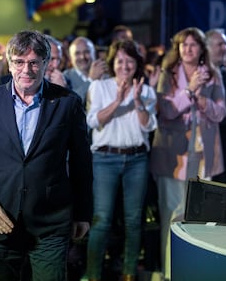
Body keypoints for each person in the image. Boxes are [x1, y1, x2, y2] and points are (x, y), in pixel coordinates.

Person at [0, 30, 93, 281]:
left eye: (33, 62)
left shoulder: (68, 103)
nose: (26, 70)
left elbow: (81, 164)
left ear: (46, 63)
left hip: (51, 223)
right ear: (9, 65)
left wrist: (84, 213)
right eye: (19, 62)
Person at [150, 27, 226, 280]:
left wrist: (202, 101)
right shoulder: (167, 74)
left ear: (201, 48)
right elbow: (166, 111)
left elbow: (220, 112)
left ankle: (190, 271)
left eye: (193, 45)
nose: (188, 49)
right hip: (173, 157)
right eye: (184, 45)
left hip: (203, 158)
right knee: (171, 215)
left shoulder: (213, 74)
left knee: (197, 218)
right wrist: (189, 91)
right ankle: (167, 271)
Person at [86, 40, 157, 281]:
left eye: (130, 60)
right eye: (120, 60)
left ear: (137, 63)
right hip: (104, 158)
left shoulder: (146, 91)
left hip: (136, 158)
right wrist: (117, 100)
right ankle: (93, 274)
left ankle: (128, 273)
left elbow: (148, 125)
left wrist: (136, 101)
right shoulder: (99, 86)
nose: (125, 65)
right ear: (112, 64)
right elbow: (93, 121)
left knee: (134, 220)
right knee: (102, 219)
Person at [205, 28, 226, 185]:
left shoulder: (224, 75)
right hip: (214, 154)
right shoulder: (203, 76)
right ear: (207, 47)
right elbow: (212, 114)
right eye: (220, 44)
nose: (225, 48)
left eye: (225, 44)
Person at [63, 37, 108, 105]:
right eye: (77, 53)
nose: (82, 57)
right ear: (71, 58)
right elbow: (70, 103)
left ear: (94, 53)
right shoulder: (65, 77)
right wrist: (91, 80)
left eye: (86, 52)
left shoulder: (105, 75)